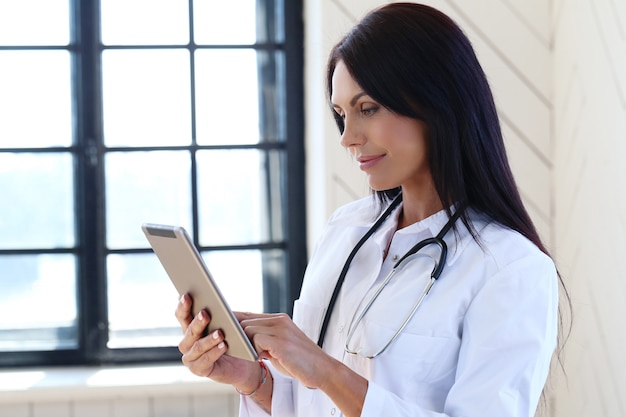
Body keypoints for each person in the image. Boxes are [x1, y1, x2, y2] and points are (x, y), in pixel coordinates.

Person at [175, 3, 564, 416]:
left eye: (368, 109)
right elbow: (308, 406)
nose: (347, 138)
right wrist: (253, 380)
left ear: (438, 102)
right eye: (342, 114)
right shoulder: (346, 230)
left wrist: (326, 371)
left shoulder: (511, 270)